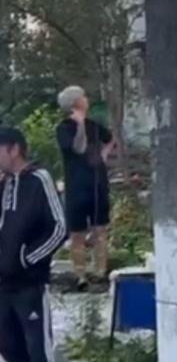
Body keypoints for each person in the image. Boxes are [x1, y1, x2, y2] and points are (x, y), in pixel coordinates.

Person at [0, 127, 67, 362]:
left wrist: (28, 259)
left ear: (13, 149)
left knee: (36, 348)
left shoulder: (39, 180)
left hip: (29, 283)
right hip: (3, 283)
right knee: (10, 346)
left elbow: (59, 228)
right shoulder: (5, 184)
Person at [55, 87, 114, 287]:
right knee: (77, 233)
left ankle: (100, 271)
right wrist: (79, 125)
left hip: (97, 183)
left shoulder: (94, 125)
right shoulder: (64, 128)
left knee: (100, 229)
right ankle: (80, 275)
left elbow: (110, 138)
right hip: (76, 186)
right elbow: (78, 148)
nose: (86, 99)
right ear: (76, 102)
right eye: (83, 97)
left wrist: (104, 154)